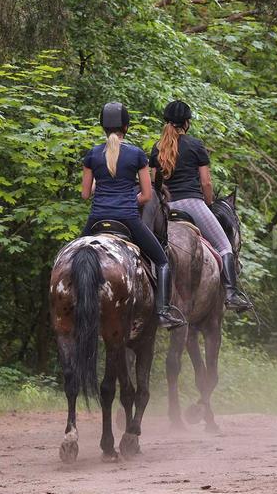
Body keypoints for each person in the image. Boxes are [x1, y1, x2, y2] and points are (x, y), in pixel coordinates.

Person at [81, 102, 185, 329]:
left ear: (103, 128)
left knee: (72, 256)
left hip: (96, 219)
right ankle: (164, 311)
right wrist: (128, 200)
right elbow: (147, 196)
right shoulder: (137, 154)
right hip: (128, 219)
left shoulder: (92, 155)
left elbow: (85, 194)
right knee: (162, 261)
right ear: (126, 127)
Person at [149, 100, 252, 312]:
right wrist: (208, 203)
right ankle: (231, 295)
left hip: (165, 207)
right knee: (224, 246)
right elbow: (206, 182)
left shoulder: (157, 147)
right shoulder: (195, 145)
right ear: (186, 123)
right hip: (191, 203)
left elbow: (155, 184)